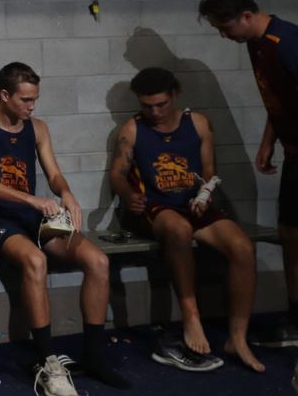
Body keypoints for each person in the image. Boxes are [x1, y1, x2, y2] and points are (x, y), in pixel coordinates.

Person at [0, 63, 127, 394]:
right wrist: (32, 200)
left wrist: (66, 192)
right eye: (25, 100)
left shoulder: (36, 128)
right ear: (4, 95)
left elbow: (53, 173)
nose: (31, 106)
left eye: (35, 99)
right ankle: (48, 361)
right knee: (35, 261)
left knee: (98, 261)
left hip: (32, 216)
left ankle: (93, 355)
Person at [109, 67, 263, 373]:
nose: (154, 112)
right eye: (147, 106)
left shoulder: (199, 124)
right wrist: (128, 196)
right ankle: (191, 317)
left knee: (242, 246)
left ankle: (238, 337)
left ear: (175, 95)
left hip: (193, 204)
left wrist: (203, 196)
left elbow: (209, 171)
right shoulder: (132, 129)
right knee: (178, 229)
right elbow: (118, 173)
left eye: (161, 104)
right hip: (155, 208)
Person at [200, 0, 298, 348]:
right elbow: (282, 98)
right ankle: (295, 317)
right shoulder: (257, 43)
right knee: (290, 234)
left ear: (246, 15)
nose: (225, 37)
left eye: (226, 29)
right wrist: (269, 140)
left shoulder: (285, 43)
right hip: (292, 150)